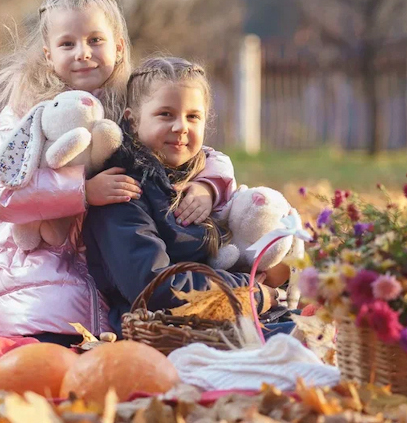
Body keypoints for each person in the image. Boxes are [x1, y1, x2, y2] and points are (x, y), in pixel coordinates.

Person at [0, 0, 236, 346]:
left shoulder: (128, 104)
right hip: (39, 272)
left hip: (112, 272)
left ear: (118, 48)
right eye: (68, 44)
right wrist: (81, 192)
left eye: (95, 40)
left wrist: (209, 184)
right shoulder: (26, 110)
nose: (83, 53)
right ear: (48, 55)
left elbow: (190, 146)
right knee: (61, 337)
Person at [83, 57, 284, 334]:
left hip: (224, 317)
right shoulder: (124, 189)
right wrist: (252, 292)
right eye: (165, 114)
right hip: (168, 333)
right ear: (132, 121)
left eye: (193, 116)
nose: (181, 127)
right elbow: (153, 286)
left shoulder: (201, 182)